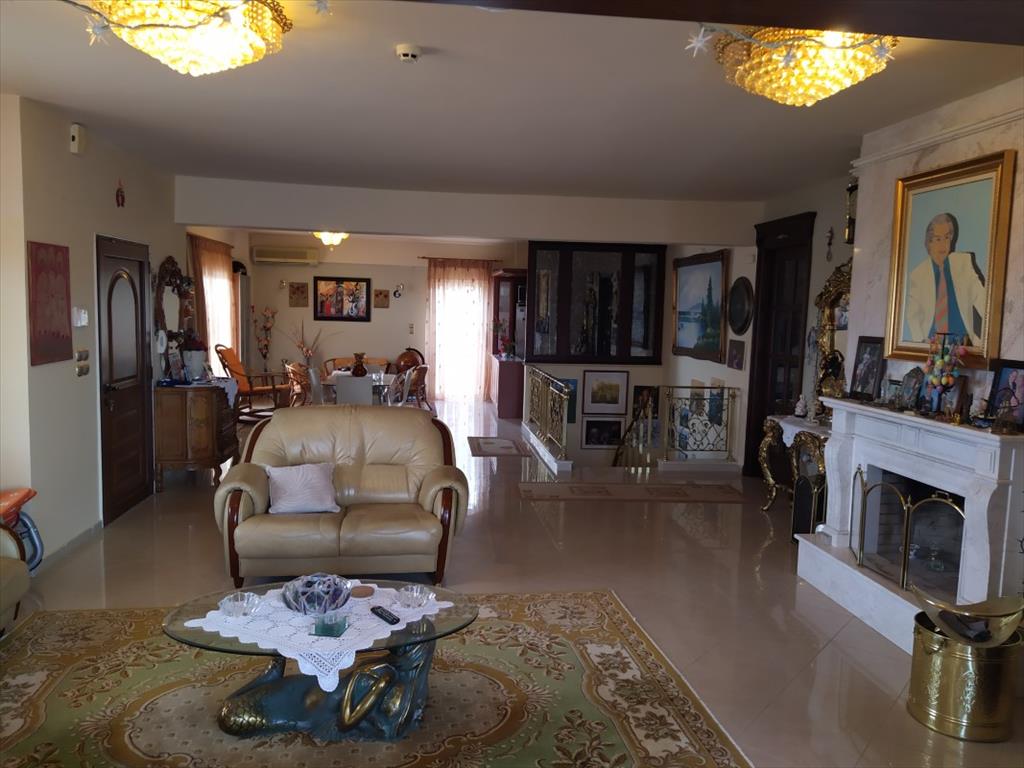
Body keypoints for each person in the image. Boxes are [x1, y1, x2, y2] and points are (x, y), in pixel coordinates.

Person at [904, 212, 986, 343]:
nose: (943, 244)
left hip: (963, 344)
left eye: (947, 238)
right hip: (933, 345)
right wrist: (921, 342)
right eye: (938, 239)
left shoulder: (963, 263)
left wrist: (990, 332)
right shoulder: (918, 275)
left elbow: (982, 300)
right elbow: (912, 315)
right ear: (929, 242)